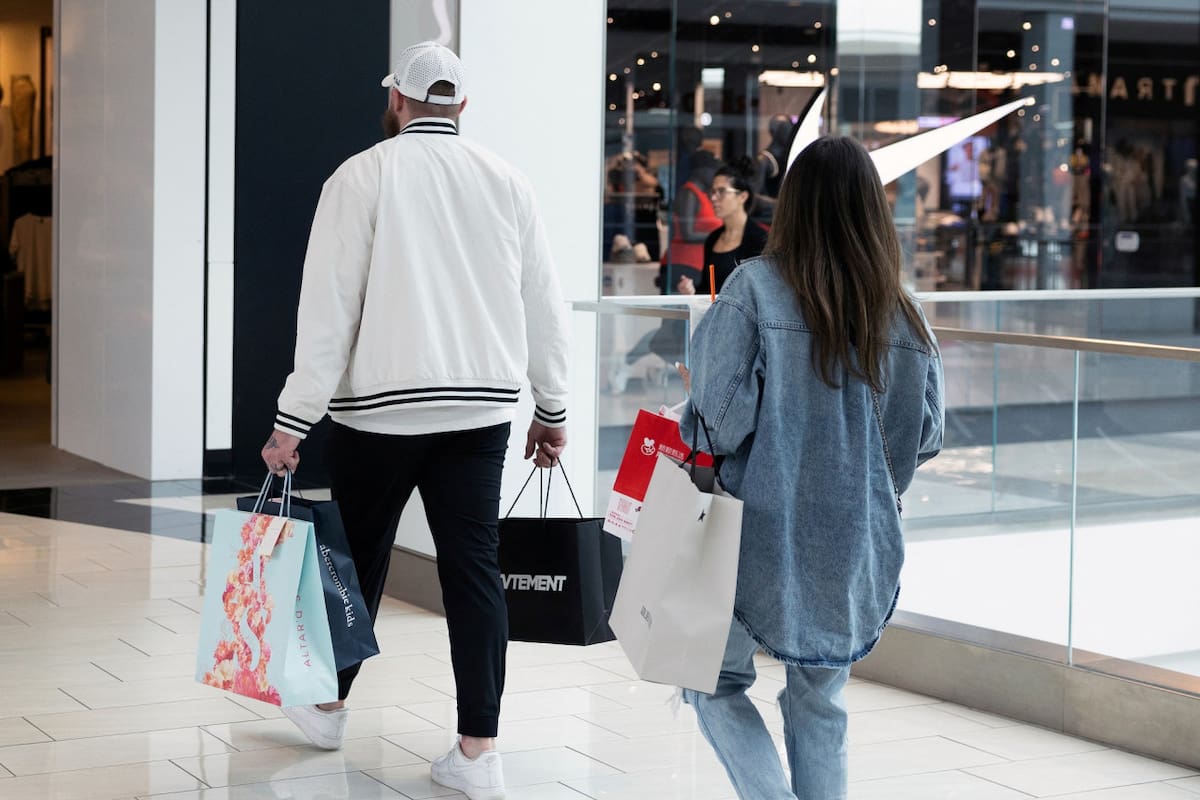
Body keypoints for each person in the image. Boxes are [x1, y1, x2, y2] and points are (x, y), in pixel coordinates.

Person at [260, 41, 569, 800]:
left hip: (377, 413)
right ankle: (478, 750)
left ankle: (328, 709)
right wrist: (552, 408)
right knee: (473, 570)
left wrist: (293, 420)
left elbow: (328, 312)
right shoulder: (508, 181)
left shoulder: (359, 176)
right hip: (480, 413)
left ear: (396, 99)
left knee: (358, 560)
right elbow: (543, 302)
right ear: (462, 105)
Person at [677, 136, 945, 799]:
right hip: (856, 540)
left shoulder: (754, 290)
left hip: (752, 532)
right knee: (820, 702)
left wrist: (697, 403)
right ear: (872, 211)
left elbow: (719, 424)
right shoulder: (904, 313)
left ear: (792, 204)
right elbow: (926, 436)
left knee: (711, 681)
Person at [677, 157, 767, 296]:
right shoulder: (713, 239)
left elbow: (763, 292)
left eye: (721, 191)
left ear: (742, 196)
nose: (713, 198)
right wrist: (691, 293)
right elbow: (708, 291)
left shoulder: (759, 240)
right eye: (712, 192)